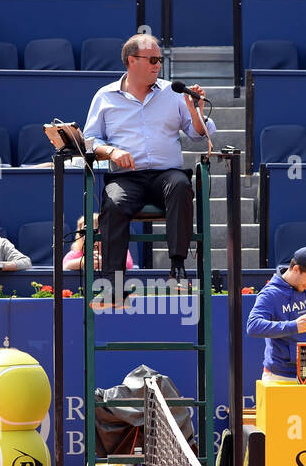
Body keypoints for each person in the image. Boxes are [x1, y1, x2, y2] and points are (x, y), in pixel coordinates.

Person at [82, 32, 215, 291]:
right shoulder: (105, 96)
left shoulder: (173, 93)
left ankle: (177, 267)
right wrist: (110, 152)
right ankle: (113, 282)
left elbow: (199, 135)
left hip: (166, 174)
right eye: (152, 59)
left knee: (180, 186)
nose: (158, 65)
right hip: (126, 176)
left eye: (160, 59)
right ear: (132, 61)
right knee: (114, 202)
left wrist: (193, 109)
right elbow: (89, 140)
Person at [245, 246, 306, 379]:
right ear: (296, 269)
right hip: (278, 376)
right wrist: (293, 326)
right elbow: (253, 326)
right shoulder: (270, 293)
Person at [63, 213, 133, 271]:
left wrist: (104, 262)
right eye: (82, 233)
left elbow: (129, 264)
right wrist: (84, 261)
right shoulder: (77, 251)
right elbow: (65, 266)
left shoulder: (117, 248)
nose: (85, 237)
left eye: (92, 232)